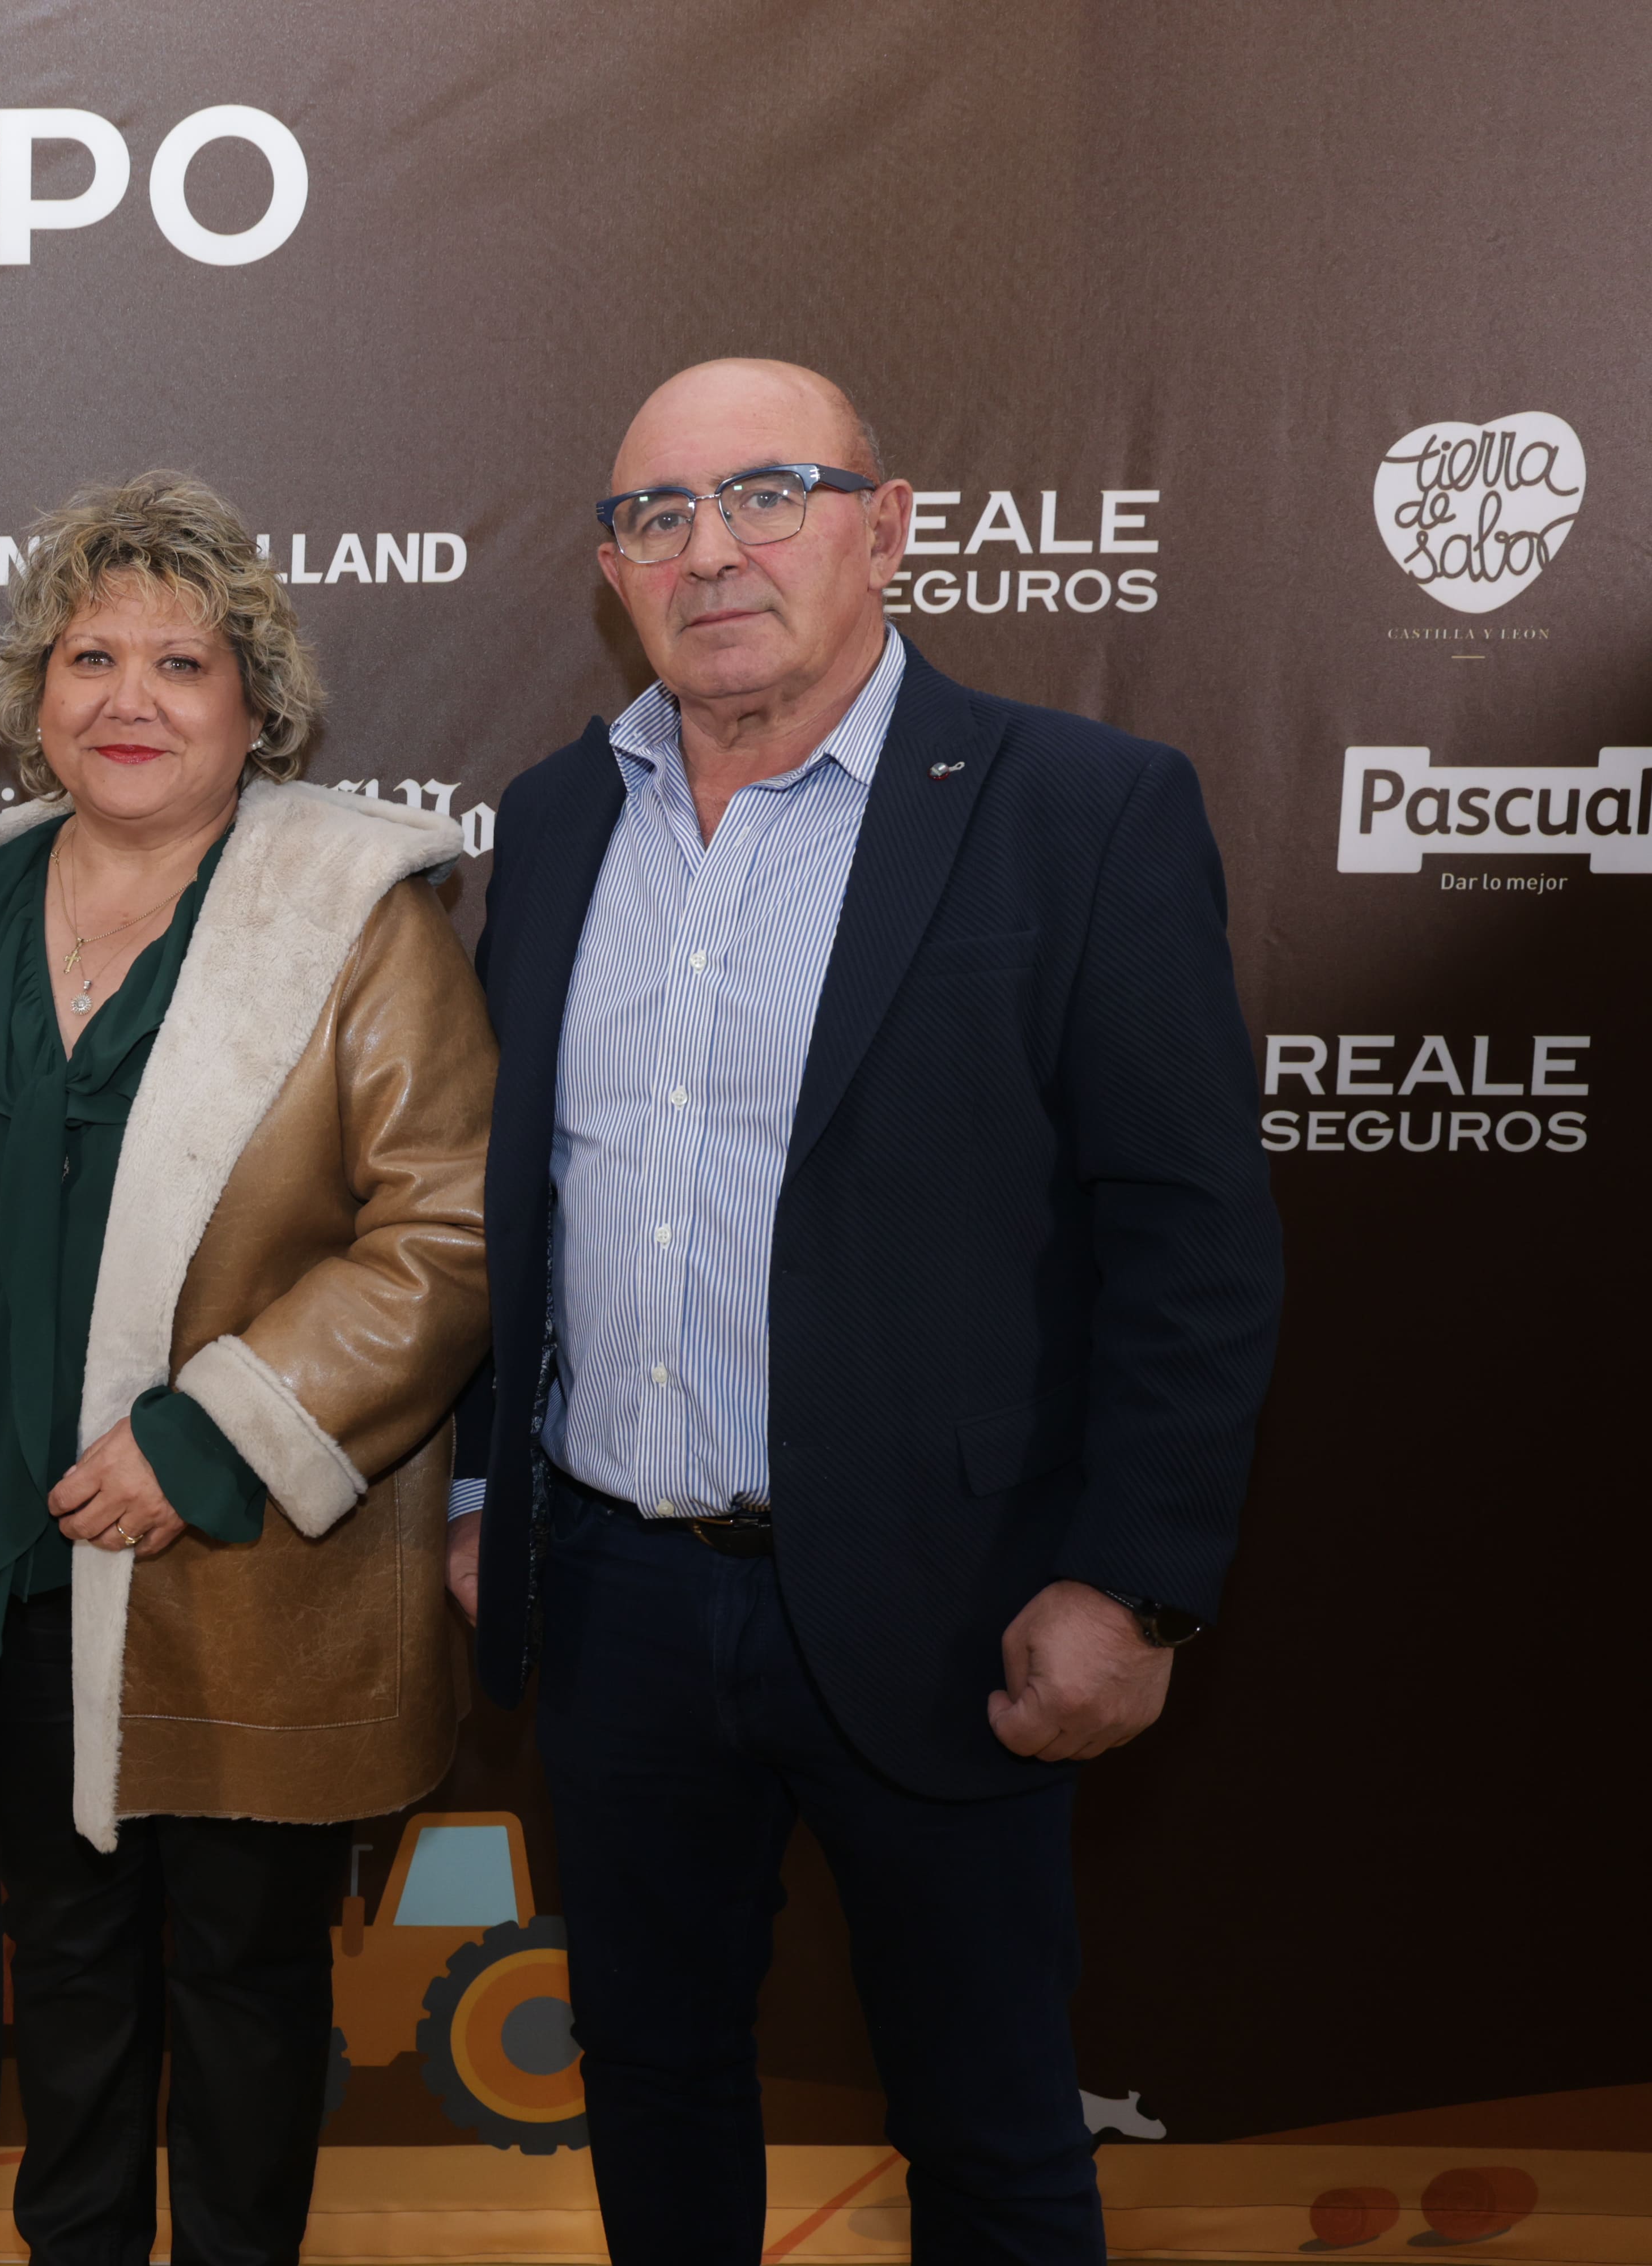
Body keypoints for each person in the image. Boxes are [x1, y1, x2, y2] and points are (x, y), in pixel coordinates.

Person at [449, 359, 1284, 2263]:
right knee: (654, 2084)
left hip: (952, 1593)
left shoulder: (1080, 808)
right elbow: (518, 1201)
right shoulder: (561, 816)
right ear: (611, 566)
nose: (710, 549)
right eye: (656, 514)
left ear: (886, 524)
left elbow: (1192, 1239)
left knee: (987, 2125)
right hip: (617, 1599)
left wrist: (1135, 1582)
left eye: (768, 493)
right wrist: (483, 1501)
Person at [0, 471, 494, 2266]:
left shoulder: (358, 923)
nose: (129, 696)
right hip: (19, 1560)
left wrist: (207, 1436)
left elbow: (446, 1235)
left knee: (248, 1995)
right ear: (30, 698)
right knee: (71, 1982)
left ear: (255, 706)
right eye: (87, 654)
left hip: (246, 1563)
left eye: (180, 663)